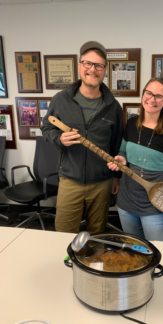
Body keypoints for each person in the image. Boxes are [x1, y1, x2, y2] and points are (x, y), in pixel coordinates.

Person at [41, 41, 124, 234]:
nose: (92, 70)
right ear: (80, 66)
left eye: (99, 65)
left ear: (105, 70)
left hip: (102, 181)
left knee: (97, 233)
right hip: (70, 179)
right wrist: (59, 139)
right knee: (63, 233)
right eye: (88, 63)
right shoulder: (60, 100)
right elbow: (46, 128)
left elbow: (118, 143)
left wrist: (116, 177)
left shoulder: (113, 106)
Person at [107, 77, 163, 241]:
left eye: (159, 96)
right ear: (143, 94)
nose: (152, 99)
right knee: (133, 248)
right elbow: (122, 151)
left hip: (155, 204)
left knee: (158, 251)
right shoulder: (131, 124)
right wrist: (122, 160)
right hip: (126, 200)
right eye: (149, 93)